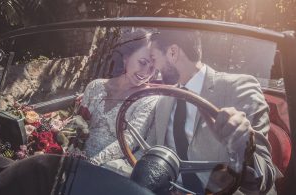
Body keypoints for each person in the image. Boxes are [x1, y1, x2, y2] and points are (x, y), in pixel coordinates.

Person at [148, 30, 276, 194]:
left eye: (153, 59)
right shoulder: (164, 100)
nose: (153, 67)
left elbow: (264, 178)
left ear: (173, 52)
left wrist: (242, 149)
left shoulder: (238, 88)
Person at [79, 28, 158, 176]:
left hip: (110, 171)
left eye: (152, 67)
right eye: (142, 62)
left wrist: (93, 163)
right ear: (126, 57)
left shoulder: (148, 99)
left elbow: (129, 140)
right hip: (77, 162)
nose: (146, 72)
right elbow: (78, 125)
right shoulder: (95, 86)